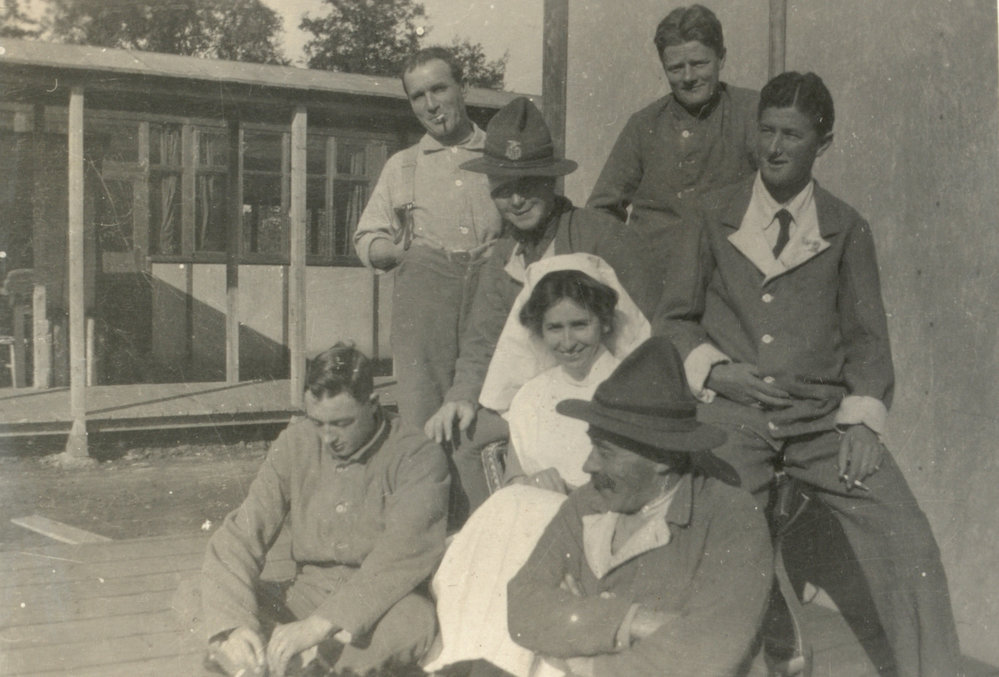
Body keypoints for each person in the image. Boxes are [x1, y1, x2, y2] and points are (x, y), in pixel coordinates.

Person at [661, 71, 961, 676]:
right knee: (707, 528)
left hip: (821, 422)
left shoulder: (846, 226)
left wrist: (863, 425)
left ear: (822, 144)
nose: (773, 147)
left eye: (791, 135)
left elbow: (869, 342)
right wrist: (716, 372)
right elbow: (673, 321)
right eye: (765, 131)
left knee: (907, 537)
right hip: (734, 417)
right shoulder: (712, 214)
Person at [423, 97, 661, 521]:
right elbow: (482, 336)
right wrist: (461, 395)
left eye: (529, 183)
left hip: (603, 388)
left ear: (551, 181)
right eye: (501, 187)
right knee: (467, 438)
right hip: (533, 394)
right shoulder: (503, 255)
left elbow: (647, 325)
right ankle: (500, 531)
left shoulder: (600, 235)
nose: (515, 199)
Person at [423, 254, 649, 676]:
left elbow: (641, 488)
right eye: (554, 328)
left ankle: (488, 661)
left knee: (523, 510)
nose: (567, 341)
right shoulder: (531, 396)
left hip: (606, 527)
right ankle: (475, 655)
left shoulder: (629, 387)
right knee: (513, 508)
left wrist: (565, 494)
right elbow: (512, 485)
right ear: (540, 333)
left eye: (579, 325)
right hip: (538, 530)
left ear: (603, 322)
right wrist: (529, 482)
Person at [505, 336, 772, 677]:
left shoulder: (729, 515)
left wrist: (586, 661)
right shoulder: (587, 502)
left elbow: (710, 651)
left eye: (606, 451)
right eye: (592, 446)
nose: (588, 465)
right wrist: (634, 622)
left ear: (661, 457)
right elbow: (522, 607)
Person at [191, 343, 449, 677]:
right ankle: (262, 654)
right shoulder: (295, 443)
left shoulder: (417, 455)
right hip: (306, 594)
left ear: (373, 404)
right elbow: (241, 535)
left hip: (381, 602)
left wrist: (319, 626)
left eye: (341, 423)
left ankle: (285, 664)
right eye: (317, 422)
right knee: (200, 594)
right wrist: (235, 627)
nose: (327, 438)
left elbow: (402, 556)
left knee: (415, 620)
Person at [353, 46, 503, 431]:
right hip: (426, 306)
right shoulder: (403, 165)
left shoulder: (501, 155)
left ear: (463, 87)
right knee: (423, 418)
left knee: (492, 409)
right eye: (418, 96)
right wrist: (398, 250)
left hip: (493, 297)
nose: (431, 104)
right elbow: (367, 238)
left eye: (439, 89)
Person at [586, 4, 758, 326]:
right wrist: (628, 270)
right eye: (676, 68)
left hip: (729, 291)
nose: (689, 77)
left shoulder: (752, 113)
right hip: (653, 294)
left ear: (722, 57)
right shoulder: (643, 125)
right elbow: (601, 212)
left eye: (699, 63)